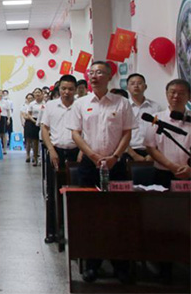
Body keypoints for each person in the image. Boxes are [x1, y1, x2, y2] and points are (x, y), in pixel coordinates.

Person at [70, 61, 134, 284]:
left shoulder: (122, 103)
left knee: (119, 215)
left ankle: (120, 265)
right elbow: (76, 134)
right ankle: (92, 264)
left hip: (116, 166)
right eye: (91, 72)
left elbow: (127, 133)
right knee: (90, 215)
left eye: (99, 72)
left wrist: (115, 156)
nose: (94, 76)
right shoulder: (81, 103)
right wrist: (92, 155)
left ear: (109, 76)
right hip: (90, 166)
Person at [40, 75, 79, 244]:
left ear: (75, 90)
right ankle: (52, 231)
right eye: (63, 88)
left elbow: (86, 130)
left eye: (70, 89)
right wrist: (51, 150)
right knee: (53, 191)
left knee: (76, 192)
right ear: (59, 89)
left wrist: (82, 151)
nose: (66, 92)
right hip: (56, 152)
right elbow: (44, 128)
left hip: (76, 152)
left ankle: (74, 231)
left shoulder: (80, 105)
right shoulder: (51, 105)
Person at [144, 79, 191, 187]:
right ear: (166, 94)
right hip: (163, 173)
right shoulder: (155, 119)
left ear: (189, 96)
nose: (176, 96)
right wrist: (171, 166)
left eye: (181, 93)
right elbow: (150, 147)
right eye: (172, 92)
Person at [126, 73, 163, 162]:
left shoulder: (155, 107)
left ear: (145, 86)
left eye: (139, 83)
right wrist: (134, 155)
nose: (136, 86)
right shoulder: (123, 106)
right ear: (127, 87)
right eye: (132, 83)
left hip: (152, 151)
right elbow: (119, 134)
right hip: (129, 151)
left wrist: (153, 154)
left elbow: (159, 132)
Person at [24, 88, 44, 166]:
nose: (37, 94)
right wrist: (35, 121)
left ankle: (42, 158)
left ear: (42, 94)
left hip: (43, 121)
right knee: (35, 141)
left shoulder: (45, 103)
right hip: (33, 122)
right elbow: (29, 114)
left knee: (42, 141)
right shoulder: (32, 104)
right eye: (36, 93)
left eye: (39, 92)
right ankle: (35, 159)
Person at [0, 90, 11, 154]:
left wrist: (8, 119)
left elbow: (8, 111)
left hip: (4, 117)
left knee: (4, 133)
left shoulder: (6, 102)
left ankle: (5, 149)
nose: (0, 94)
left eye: (2, 93)